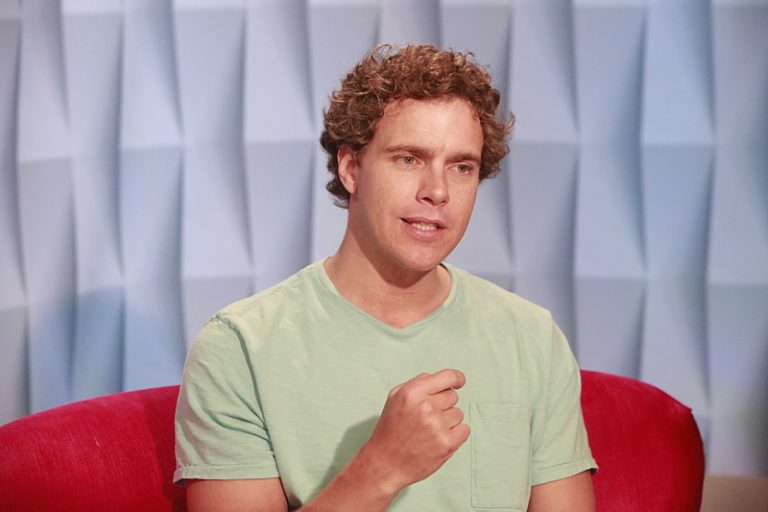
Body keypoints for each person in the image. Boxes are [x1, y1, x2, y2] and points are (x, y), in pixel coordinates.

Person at [174, 44, 597, 511]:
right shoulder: (239, 348)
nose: (437, 191)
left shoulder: (532, 337)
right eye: (409, 159)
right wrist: (383, 468)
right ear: (350, 167)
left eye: (461, 167)